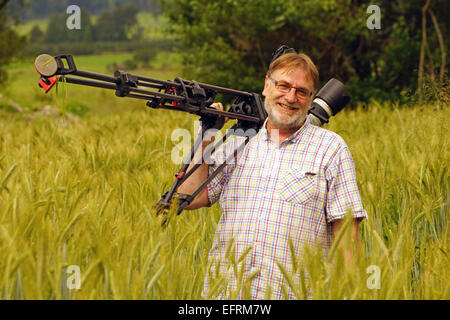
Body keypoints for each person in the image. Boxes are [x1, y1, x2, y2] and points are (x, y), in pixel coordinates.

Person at [177, 50, 367, 299]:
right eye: (283, 85)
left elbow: (347, 241)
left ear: (311, 99)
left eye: (301, 91)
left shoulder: (331, 148)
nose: (290, 97)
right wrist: (208, 133)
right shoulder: (239, 141)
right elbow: (189, 195)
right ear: (267, 85)